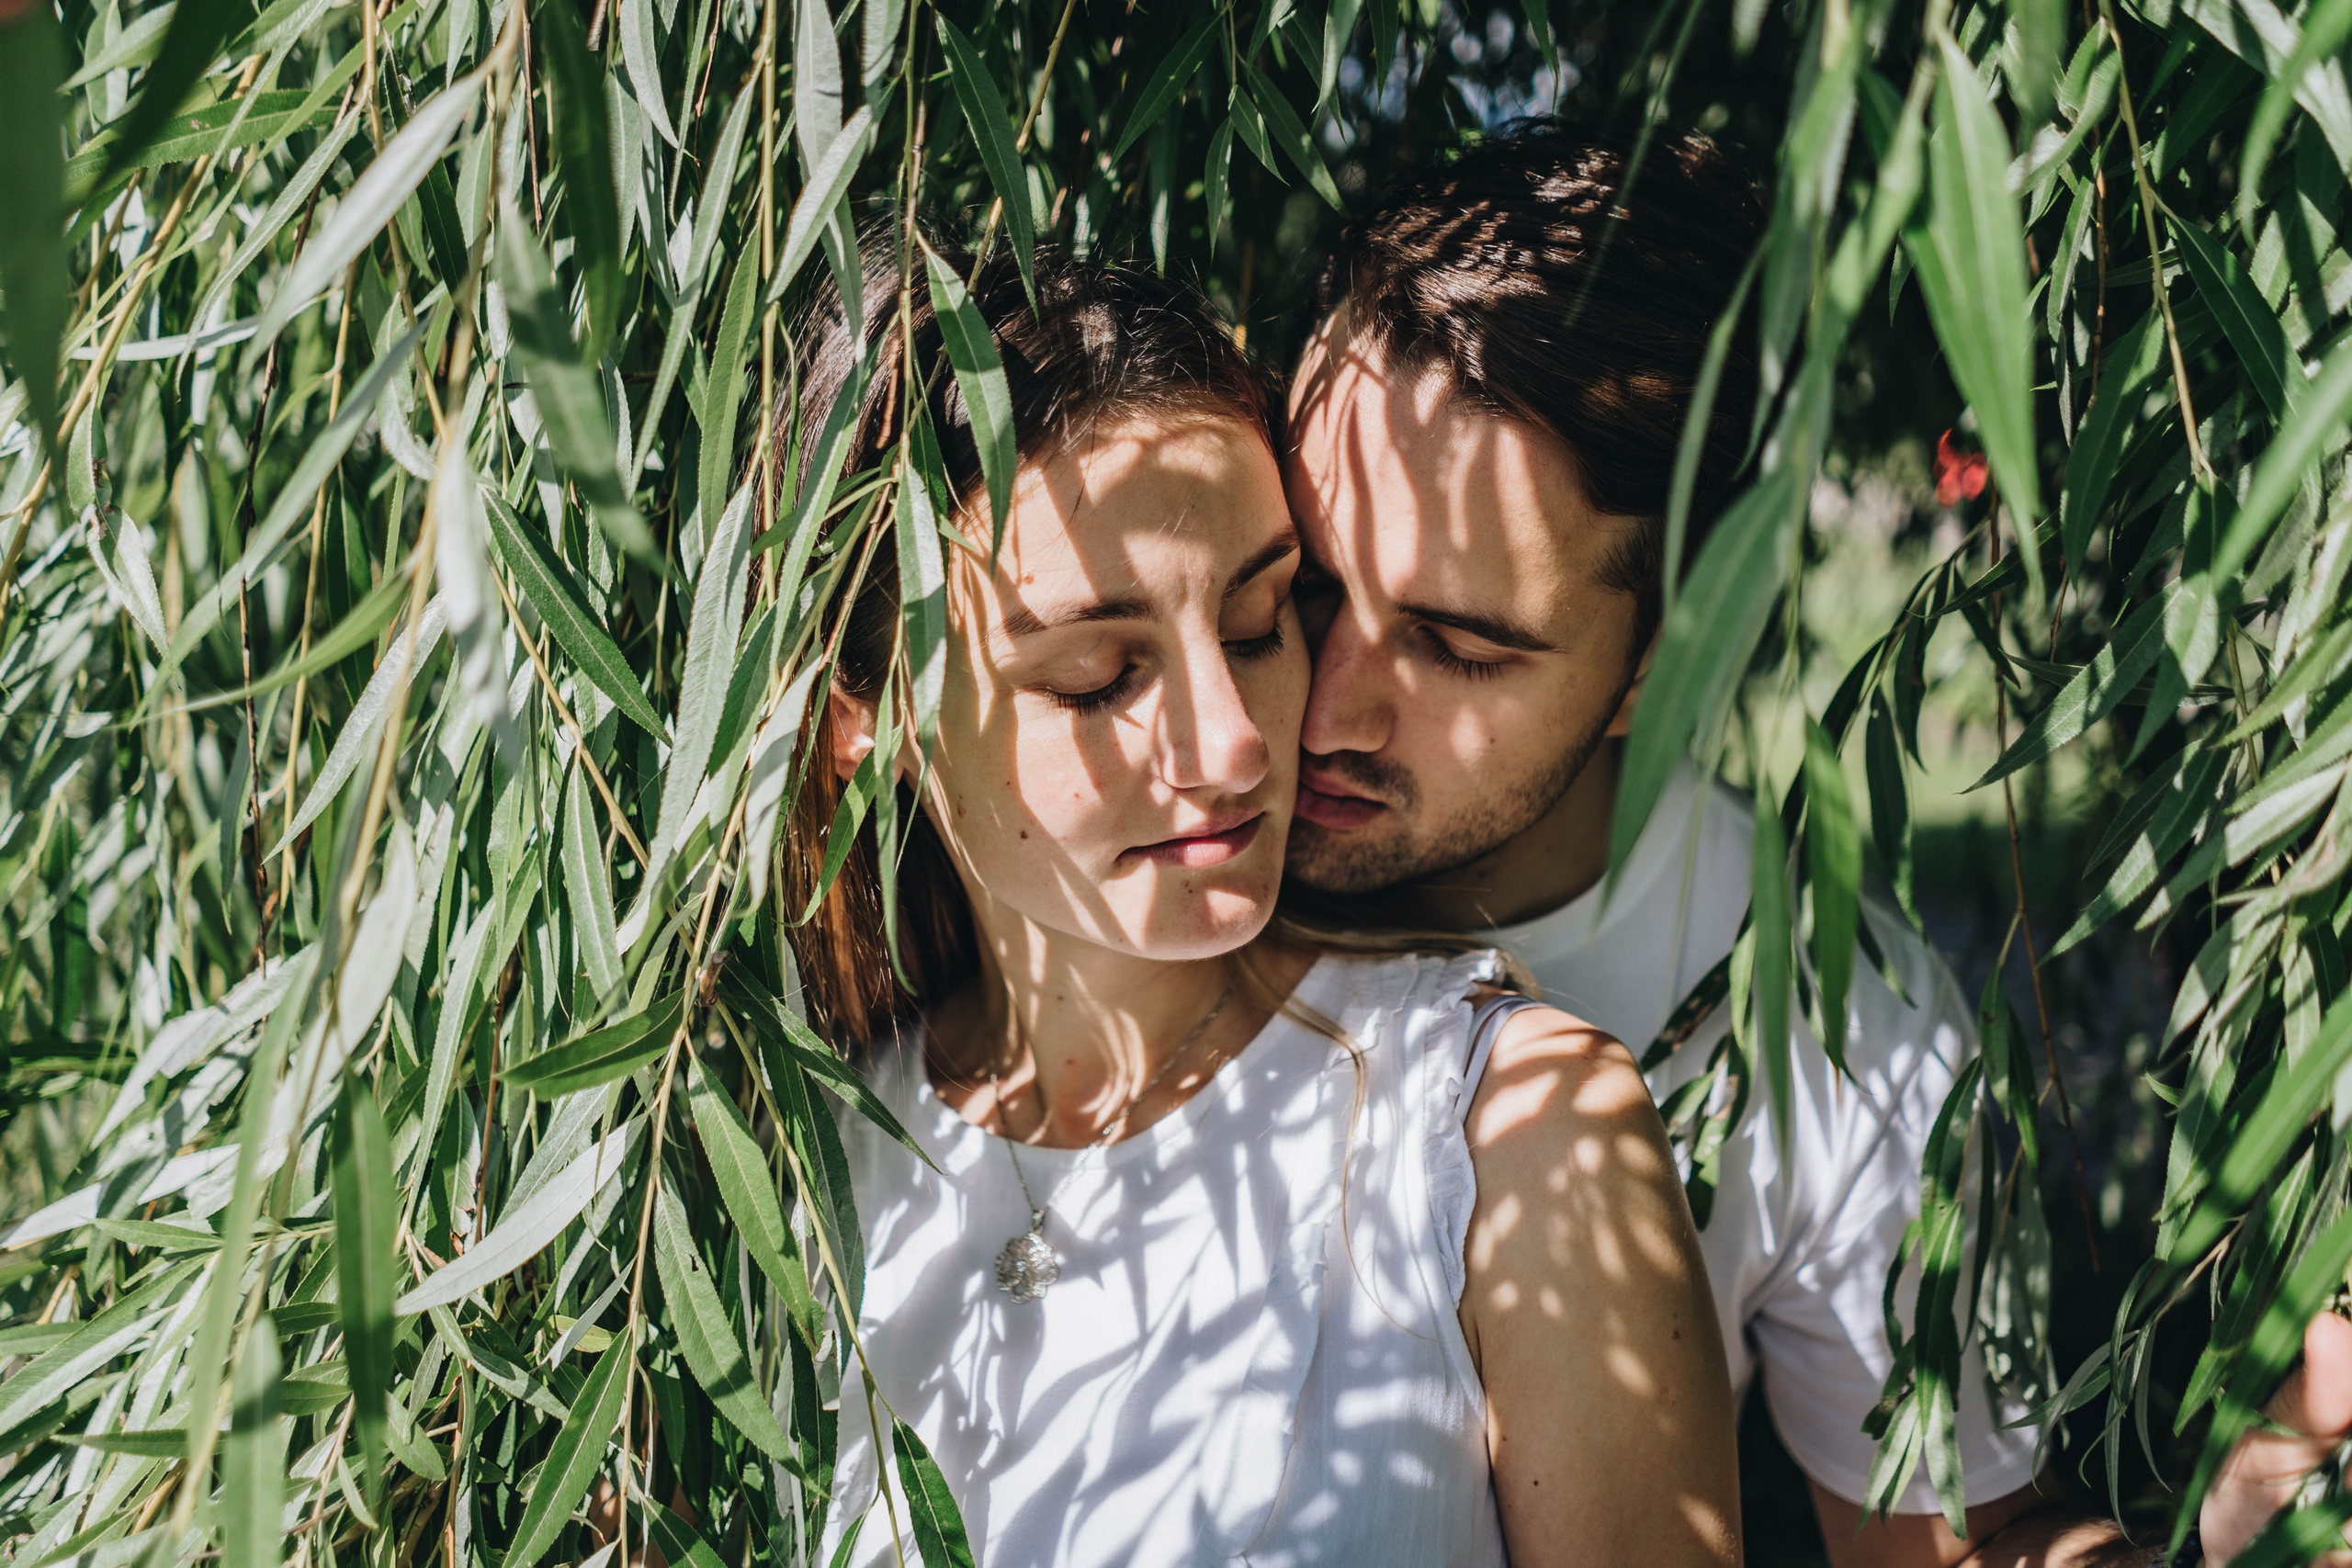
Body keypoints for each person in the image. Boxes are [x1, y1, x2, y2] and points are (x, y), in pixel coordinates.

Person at [1279, 121, 2351, 1568]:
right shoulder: (1096, 847)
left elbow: (1942, 1549)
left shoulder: (1836, 1028)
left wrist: (2218, 1548)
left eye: (1460, 650)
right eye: (1295, 581)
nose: (1319, 709)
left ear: (1671, 661)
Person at [772, 233, 1742, 1567]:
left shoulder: (1511, 1132)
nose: (1234, 743)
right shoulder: (791, 1172)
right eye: (1100, 675)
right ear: (864, 723)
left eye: (1257, 624)